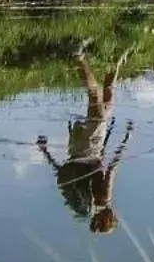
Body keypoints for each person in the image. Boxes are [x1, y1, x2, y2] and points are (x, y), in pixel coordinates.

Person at [35, 44, 133, 235]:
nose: (115, 214)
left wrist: (127, 140)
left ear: (106, 218)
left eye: (113, 218)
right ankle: (117, 58)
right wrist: (45, 151)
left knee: (95, 96)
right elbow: (62, 175)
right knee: (108, 100)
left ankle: (77, 55)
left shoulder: (103, 200)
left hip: (91, 147)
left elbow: (112, 167)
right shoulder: (84, 206)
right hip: (76, 149)